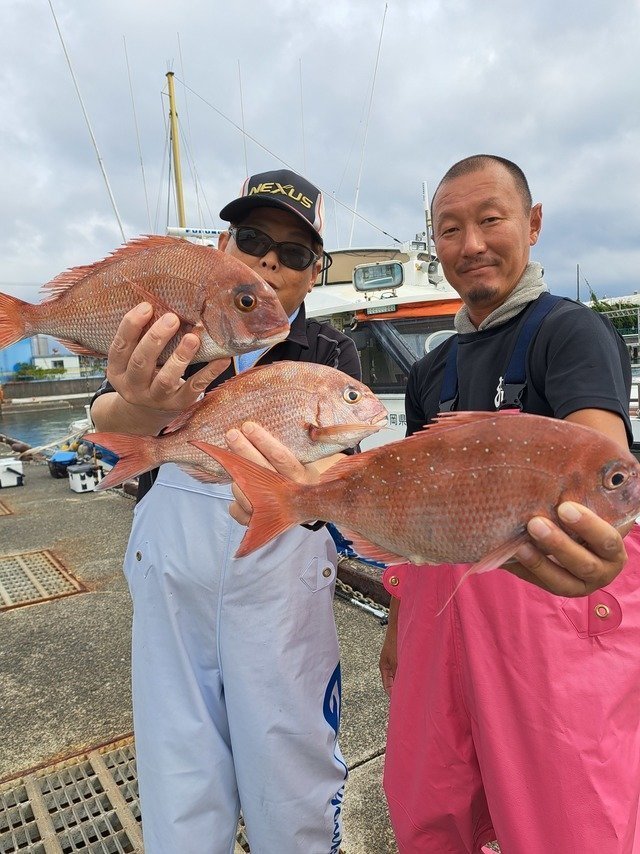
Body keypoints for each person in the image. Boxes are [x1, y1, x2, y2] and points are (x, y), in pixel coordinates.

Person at [90, 169, 360, 854]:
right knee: (177, 779)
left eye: (294, 253)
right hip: (173, 583)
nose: (271, 259)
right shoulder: (175, 333)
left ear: (314, 272)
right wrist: (143, 405)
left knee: (291, 785)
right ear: (222, 244)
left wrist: (308, 483)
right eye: (253, 238)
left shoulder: (329, 354)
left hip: (281, 584)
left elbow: (347, 460)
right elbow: (105, 417)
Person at [378, 154, 640, 853]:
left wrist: (592, 539)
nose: (471, 245)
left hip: (550, 620)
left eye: (490, 220)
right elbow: (412, 513)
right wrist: (398, 622)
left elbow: (601, 465)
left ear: (533, 223)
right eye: (450, 229)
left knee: (569, 821)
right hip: (440, 610)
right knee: (428, 806)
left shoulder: (572, 332)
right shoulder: (431, 371)